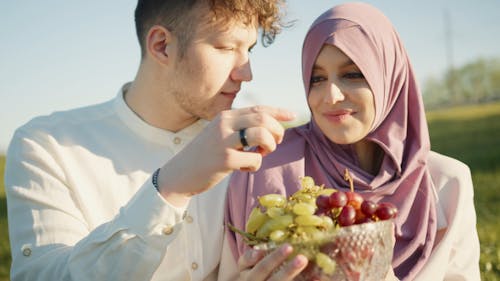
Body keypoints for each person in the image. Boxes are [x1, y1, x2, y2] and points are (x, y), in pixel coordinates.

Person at [4, 1, 295, 280]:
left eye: (249, 50)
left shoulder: (252, 149)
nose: (247, 73)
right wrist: (169, 188)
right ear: (161, 46)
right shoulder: (46, 145)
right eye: (225, 47)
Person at [223, 2, 481, 280]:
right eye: (317, 78)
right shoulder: (263, 167)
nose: (331, 95)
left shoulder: (447, 183)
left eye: (352, 74)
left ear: (389, 77)